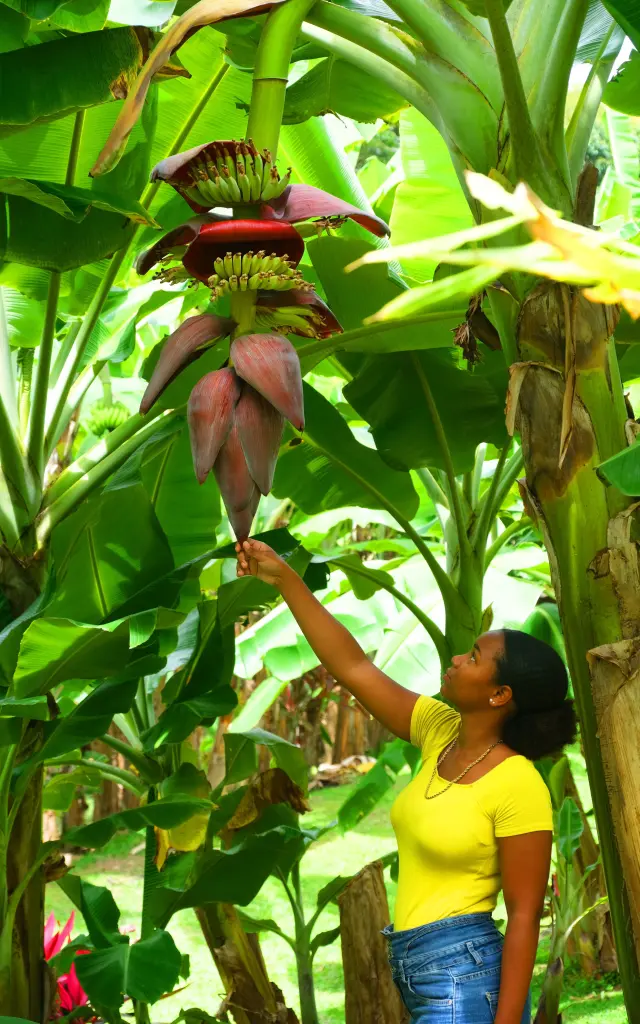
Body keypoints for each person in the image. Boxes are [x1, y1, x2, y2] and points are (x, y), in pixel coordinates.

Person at [235, 539, 578, 1024]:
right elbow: (354, 667)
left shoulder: (518, 783)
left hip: (466, 975)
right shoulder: (440, 731)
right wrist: (285, 578)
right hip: (418, 968)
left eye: (475, 658)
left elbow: (524, 916)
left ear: (500, 694)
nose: (458, 659)